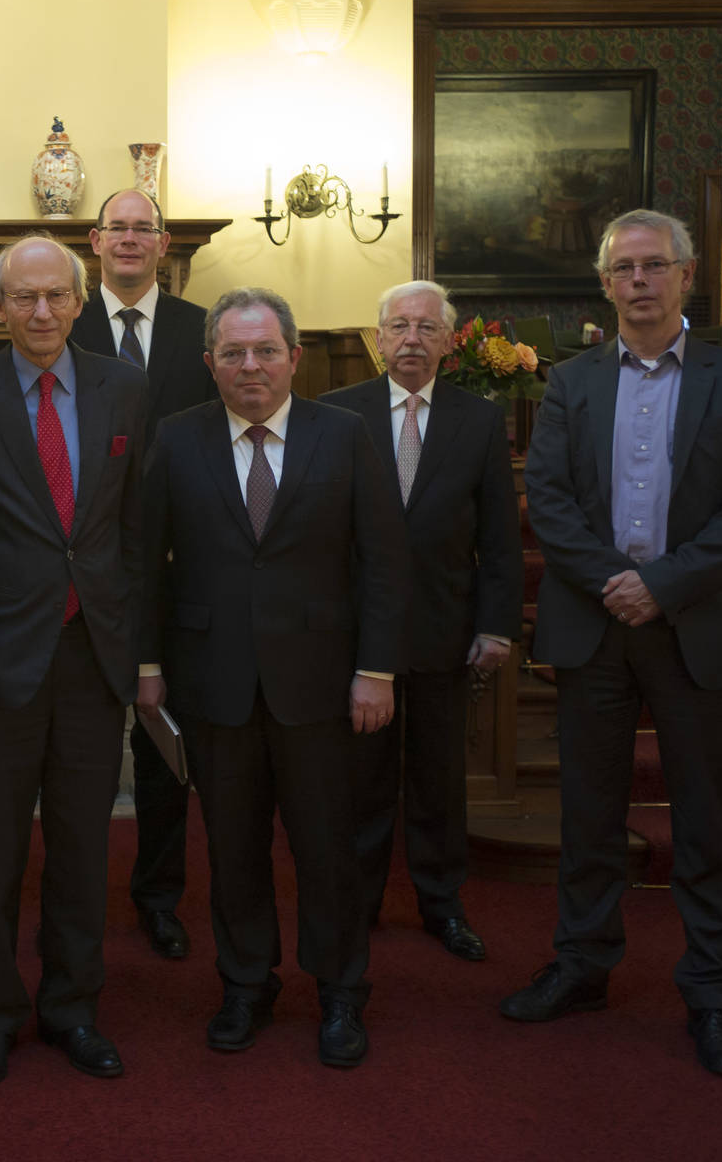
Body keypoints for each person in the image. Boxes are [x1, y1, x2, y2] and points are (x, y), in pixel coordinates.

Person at [504, 210, 722, 1081]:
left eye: (653, 266)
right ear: (604, 282)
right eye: (622, 268)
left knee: (704, 818)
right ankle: (583, 966)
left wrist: (659, 584)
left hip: (696, 625)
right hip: (595, 625)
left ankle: (709, 987)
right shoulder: (570, 382)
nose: (638, 281)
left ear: (687, 276)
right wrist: (612, 583)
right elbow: (546, 498)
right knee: (588, 813)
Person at [140, 287, 408, 1067]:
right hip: (213, 684)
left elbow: (383, 564)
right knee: (231, 849)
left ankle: (338, 993)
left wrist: (375, 670)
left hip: (325, 687)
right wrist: (149, 666)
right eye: (232, 353)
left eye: (263, 351)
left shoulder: (347, 436)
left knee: (327, 850)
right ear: (209, 364)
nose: (249, 366)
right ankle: (245, 983)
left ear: (295, 356)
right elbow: (145, 564)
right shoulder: (176, 438)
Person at [0, 235, 150, 1088]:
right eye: (22, 298)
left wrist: (141, 653)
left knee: (80, 847)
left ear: (78, 299)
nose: (39, 312)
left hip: (93, 658)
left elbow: (137, 531)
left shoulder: (124, 387)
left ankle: (72, 1006)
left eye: (54, 297)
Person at [323, 279, 522, 961]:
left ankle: (441, 903)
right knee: (360, 781)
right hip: (355, 638)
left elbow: (498, 537)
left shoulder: (479, 420)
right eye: (398, 327)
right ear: (377, 338)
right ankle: (359, 901)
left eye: (426, 328)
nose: (411, 339)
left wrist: (496, 625)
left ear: (447, 341)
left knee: (438, 780)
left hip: (445, 629)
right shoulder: (332, 414)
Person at [75, 188, 216, 962]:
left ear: (164, 246)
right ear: (94, 241)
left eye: (144, 229)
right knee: (86, 752)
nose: (129, 240)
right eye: (117, 228)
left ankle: (158, 894)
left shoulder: (206, 331)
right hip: (92, 568)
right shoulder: (61, 321)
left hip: (184, 568)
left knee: (166, 749)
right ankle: (77, 897)